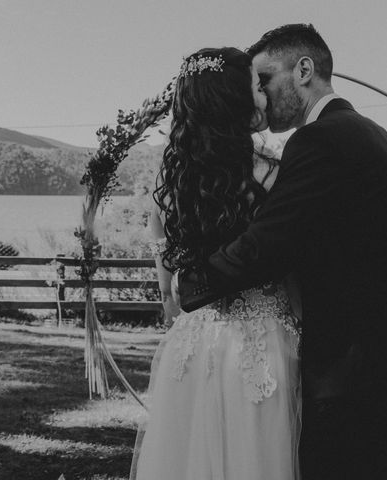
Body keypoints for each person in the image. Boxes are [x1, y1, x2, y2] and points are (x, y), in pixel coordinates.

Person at [176, 24, 387, 480]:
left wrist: (187, 283)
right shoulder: (376, 135)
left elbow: (267, 242)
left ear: (304, 70)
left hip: (366, 368)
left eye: (266, 79)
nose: (263, 97)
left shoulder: (321, 140)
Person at [130, 47, 302, 480]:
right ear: (235, 102)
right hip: (262, 349)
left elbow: (170, 300)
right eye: (255, 87)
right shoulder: (276, 174)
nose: (262, 95)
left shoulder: (169, 187)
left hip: (189, 351)